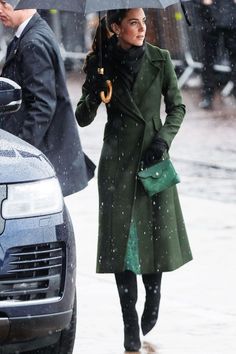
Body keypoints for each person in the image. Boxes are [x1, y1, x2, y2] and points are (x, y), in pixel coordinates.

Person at [75, 8, 192, 352]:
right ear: (115, 27)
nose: (142, 28)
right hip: (117, 164)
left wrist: (163, 140)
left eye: (143, 22)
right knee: (121, 245)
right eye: (133, 22)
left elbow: (177, 107)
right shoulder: (101, 63)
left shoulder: (160, 58)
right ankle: (129, 320)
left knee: (153, 234)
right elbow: (82, 118)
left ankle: (153, 295)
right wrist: (94, 92)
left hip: (152, 158)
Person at [0, 0, 95, 196]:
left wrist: (21, 152)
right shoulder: (29, 34)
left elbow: (42, 106)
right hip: (45, 154)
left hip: (41, 156)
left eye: (4, 3)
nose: (0, 10)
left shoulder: (32, 42)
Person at [195, 0, 236, 109]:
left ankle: (208, 95)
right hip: (210, 17)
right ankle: (207, 95)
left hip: (230, 14)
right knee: (208, 59)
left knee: (234, 57)